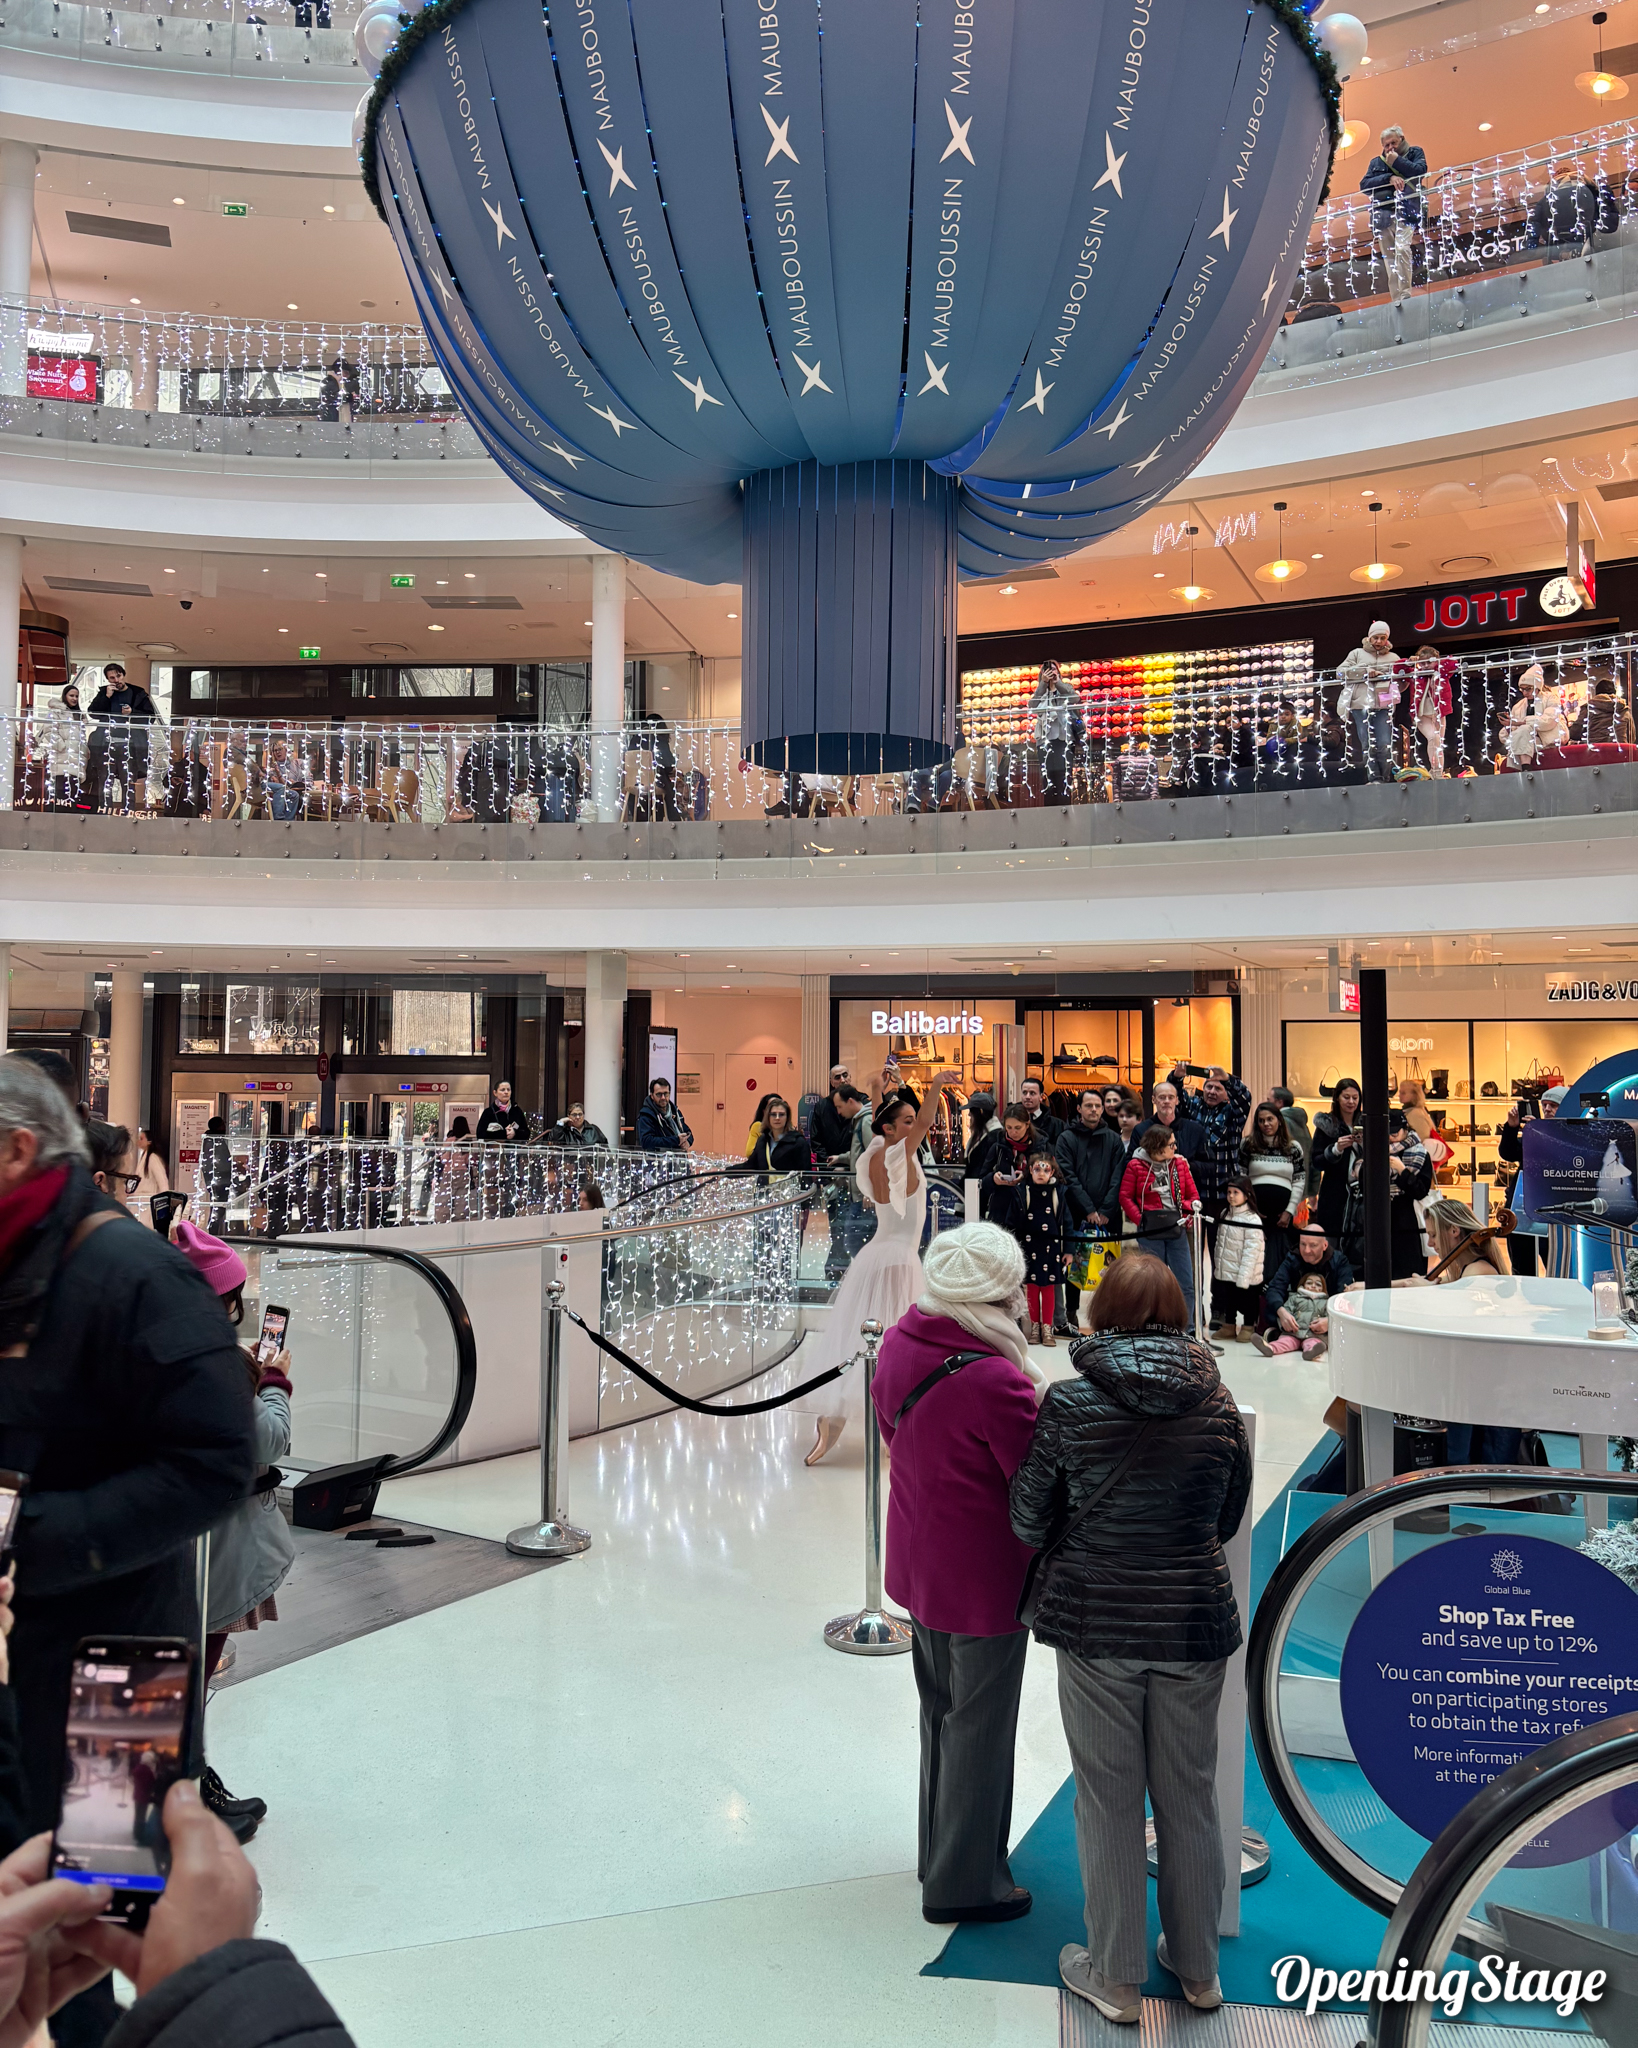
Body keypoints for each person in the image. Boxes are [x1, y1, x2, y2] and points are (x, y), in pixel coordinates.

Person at [0, 1058, 254, 2040]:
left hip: (121, 1664)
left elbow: (214, 1459)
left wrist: (37, 1537)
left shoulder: (135, 1275)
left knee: (106, 1916)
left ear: (18, 1148)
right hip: (18, 1643)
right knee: (23, 1889)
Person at [1010, 1254, 1251, 2024]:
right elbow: (1227, 1516)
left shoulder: (1069, 1401)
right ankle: (1199, 1968)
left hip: (1096, 1618)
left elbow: (1028, 1518)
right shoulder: (1218, 1401)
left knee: (1107, 1799)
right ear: (1179, 1313)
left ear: (1100, 1311)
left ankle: (1114, 1977)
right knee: (1190, 1794)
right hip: (1192, 1619)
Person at [872, 1223, 1043, 1927]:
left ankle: (939, 1853)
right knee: (980, 1725)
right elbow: (1033, 1482)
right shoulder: (995, 1379)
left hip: (920, 1561)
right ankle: (967, 1883)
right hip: (981, 1577)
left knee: (940, 1710)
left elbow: (892, 1432)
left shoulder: (900, 1341)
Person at [171, 1221, 295, 1843]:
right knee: (189, 1669)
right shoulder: (211, 1363)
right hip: (212, 1541)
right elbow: (268, 1440)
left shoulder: (168, 1350)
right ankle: (185, 1787)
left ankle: (192, 1776)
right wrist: (275, 1384)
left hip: (191, 1536)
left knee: (187, 1666)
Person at [797, 1070, 960, 1466]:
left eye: (911, 1121)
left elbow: (879, 1121)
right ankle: (893, 1425)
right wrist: (937, 1084)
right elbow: (926, 1120)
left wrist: (876, 1090)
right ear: (891, 1128)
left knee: (864, 1341)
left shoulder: (874, 1152)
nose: (914, 1126)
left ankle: (835, 1419)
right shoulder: (900, 1154)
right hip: (899, 1260)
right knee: (896, 1347)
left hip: (874, 1256)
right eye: (906, 1122)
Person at [1119, 1124, 1201, 1327]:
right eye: (1171, 1144)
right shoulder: (1135, 1165)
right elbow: (1125, 1196)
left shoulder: (1179, 1164)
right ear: (1158, 1146)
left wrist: (1186, 1215)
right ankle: (1153, 1325)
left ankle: (1187, 1327)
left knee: (1185, 1282)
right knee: (1152, 1282)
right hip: (1150, 1229)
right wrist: (1140, 1219)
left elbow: (1193, 1196)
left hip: (1176, 1228)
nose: (1175, 1147)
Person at [991, 1148, 1071, 1347]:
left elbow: (1067, 1223)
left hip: (1052, 1249)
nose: (1041, 1173)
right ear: (1031, 1171)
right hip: (1029, 1248)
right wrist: (1013, 1249)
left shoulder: (1059, 1193)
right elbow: (1011, 1222)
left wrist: (1068, 1250)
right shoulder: (1022, 1192)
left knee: (1050, 1289)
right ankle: (1035, 1327)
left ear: (1052, 1172)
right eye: (1037, 1169)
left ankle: (1048, 1328)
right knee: (1032, 1289)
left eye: (1046, 1170)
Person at [1341, 1108, 1432, 1281]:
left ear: (1405, 1129)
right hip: (1377, 1220)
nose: (1391, 1137)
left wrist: (1402, 1171)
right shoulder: (1373, 1150)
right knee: (1378, 1272)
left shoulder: (1419, 1153)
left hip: (1407, 1223)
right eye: (1387, 1133)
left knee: (1407, 1273)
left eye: (1395, 1132)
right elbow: (1366, 1187)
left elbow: (1420, 1191)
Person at [1170, 1065, 1251, 1233]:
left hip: (1221, 1191)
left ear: (1227, 1094)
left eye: (1218, 1088)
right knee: (1193, 1242)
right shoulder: (1194, 1106)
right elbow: (1175, 1096)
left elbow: (1244, 1099)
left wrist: (1228, 1080)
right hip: (1193, 1189)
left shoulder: (1233, 1113)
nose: (1212, 1092)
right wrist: (1176, 1077)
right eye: (1209, 1087)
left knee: (1220, 1242)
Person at [1360, 124, 1426, 302]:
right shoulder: (1376, 162)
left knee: (1402, 249)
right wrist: (1389, 178)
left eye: (1393, 143)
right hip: (1382, 214)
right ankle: (1396, 297)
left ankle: (1405, 293)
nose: (1390, 148)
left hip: (1407, 210)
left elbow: (1420, 172)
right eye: (1386, 145)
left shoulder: (1415, 152)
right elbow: (1364, 185)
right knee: (1389, 257)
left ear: (1401, 140)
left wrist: (1396, 161)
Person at [1238, 1100, 1305, 1270]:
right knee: (1255, 1259)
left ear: (1279, 1120)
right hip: (1255, 1213)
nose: (1266, 1124)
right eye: (1261, 1120)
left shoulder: (1293, 1148)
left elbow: (1299, 1180)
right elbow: (1241, 1178)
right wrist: (1251, 1209)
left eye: (1270, 1119)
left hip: (1283, 1215)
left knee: (1281, 1259)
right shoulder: (1248, 1145)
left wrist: (1289, 1211)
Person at [1336, 622, 1402, 783]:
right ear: (1369, 637)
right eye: (1375, 637)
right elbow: (1340, 673)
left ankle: (1385, 778)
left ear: (1387, 638)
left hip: (1384, 705)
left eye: (1382, 638)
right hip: (1360, 706)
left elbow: (1402, 682)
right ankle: (1374, 778)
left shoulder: (1394, 658)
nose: (1379, 641)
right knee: (1367, 743)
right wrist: (1364, 671)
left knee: (1385, 744)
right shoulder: (1356, 653)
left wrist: (1387, 677)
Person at [1209, 1180, 1265, 1341]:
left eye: (1236, 1192)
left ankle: (1248, 1327)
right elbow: (1220, 1244)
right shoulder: (1225, 1214)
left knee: (1248, 1300)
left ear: (1247, 1195)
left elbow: (1252, 1251)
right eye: (1229, 1192)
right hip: (1228, 1269)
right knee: (1229, 1299)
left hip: (1246, 1270)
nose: (1231, 1196)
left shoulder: (1252, 1219)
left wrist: (1244, 1275)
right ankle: (1229, 1326)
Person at [1308, 1076, 1362, 1237]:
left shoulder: (1367, 1123)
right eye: (1346, 1097)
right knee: (1332, 1238)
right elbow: (1316, 1162)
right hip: (1334, 1192)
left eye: (1355, 1098)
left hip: (1362, 1193)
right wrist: (1335, 1150)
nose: (1351, 1102)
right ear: (1337, 1098)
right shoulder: (1327, 1126)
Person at [1527, 160, 1603, 260]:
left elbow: (1533, 226)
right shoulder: (1590, 192)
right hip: (1588, 236)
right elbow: (1607, 221)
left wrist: (1532, 247)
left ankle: (1564, 255)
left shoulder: (1545, 201)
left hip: (1559, 240)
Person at [1404, 645, 1454, 778]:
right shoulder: (1415, 673)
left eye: (1429, 662)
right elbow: (1397, 668)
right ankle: (1436, 771)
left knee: (1438, 743)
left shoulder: (1441, 672)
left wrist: (1437, 663)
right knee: (1433, 738)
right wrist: (1409, 662)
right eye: (1422, 663)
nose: (1425, 666)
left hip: (1439, 713)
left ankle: (1437, 772)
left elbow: (1453, 663)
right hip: (1421, 715)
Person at [738, 1096, 811, 1176]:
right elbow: (751, 1165)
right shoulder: (762, 1140)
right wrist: (728, 1172)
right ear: (768, 1117)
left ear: (787, 1117)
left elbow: (806, 1174)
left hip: (788, 1184)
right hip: (764, 1184)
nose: (777, 1118)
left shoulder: (798, 1142)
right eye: (773, 1114)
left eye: (781, 1114)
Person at [45, 684, 88, 810]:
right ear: (65, 696)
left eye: (76, 696)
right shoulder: (56, 711)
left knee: (72, 797)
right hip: (61, 759)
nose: (74, 698)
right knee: (59, 797)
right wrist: (62, 747)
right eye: (71, 695)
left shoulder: (79, 715)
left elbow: (81, 738)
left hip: (75, 762)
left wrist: (84, 752)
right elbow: (49, 731)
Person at [637, 1077, 693, 1153]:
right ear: (652, 1096)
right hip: (657, 1158)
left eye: (666, 1094)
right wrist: (676, 1140)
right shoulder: (646, 1115)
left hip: (678, 1158)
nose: (663, 1097)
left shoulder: (675, 1112)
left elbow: (687, 1132)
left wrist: (687, 1142)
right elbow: (647, 1141)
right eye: (659, 1094)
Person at [127, 1126, 170, 1222]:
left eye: (141, 1138)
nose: (138, 1141)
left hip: (148, 1200)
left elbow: (162, 1181)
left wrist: (163, 1203)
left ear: (149, 1141)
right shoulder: (144, 1157)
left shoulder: (153, 1158)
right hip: (141, 1200)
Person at [1269, 1084, 1311, 1182]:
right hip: (1302, 1179)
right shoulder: (1302, 1123)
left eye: (1269, 1100)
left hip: (1284, 1180)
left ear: (1279, 1102)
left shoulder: (1281, 1122)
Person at [1019, 1078, 1063, 1150]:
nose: (1027, 1097)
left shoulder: (1057, 1125)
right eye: (1024, 1093)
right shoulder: (1012, 1121)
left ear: (1041, 1097)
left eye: (1032, 1093)